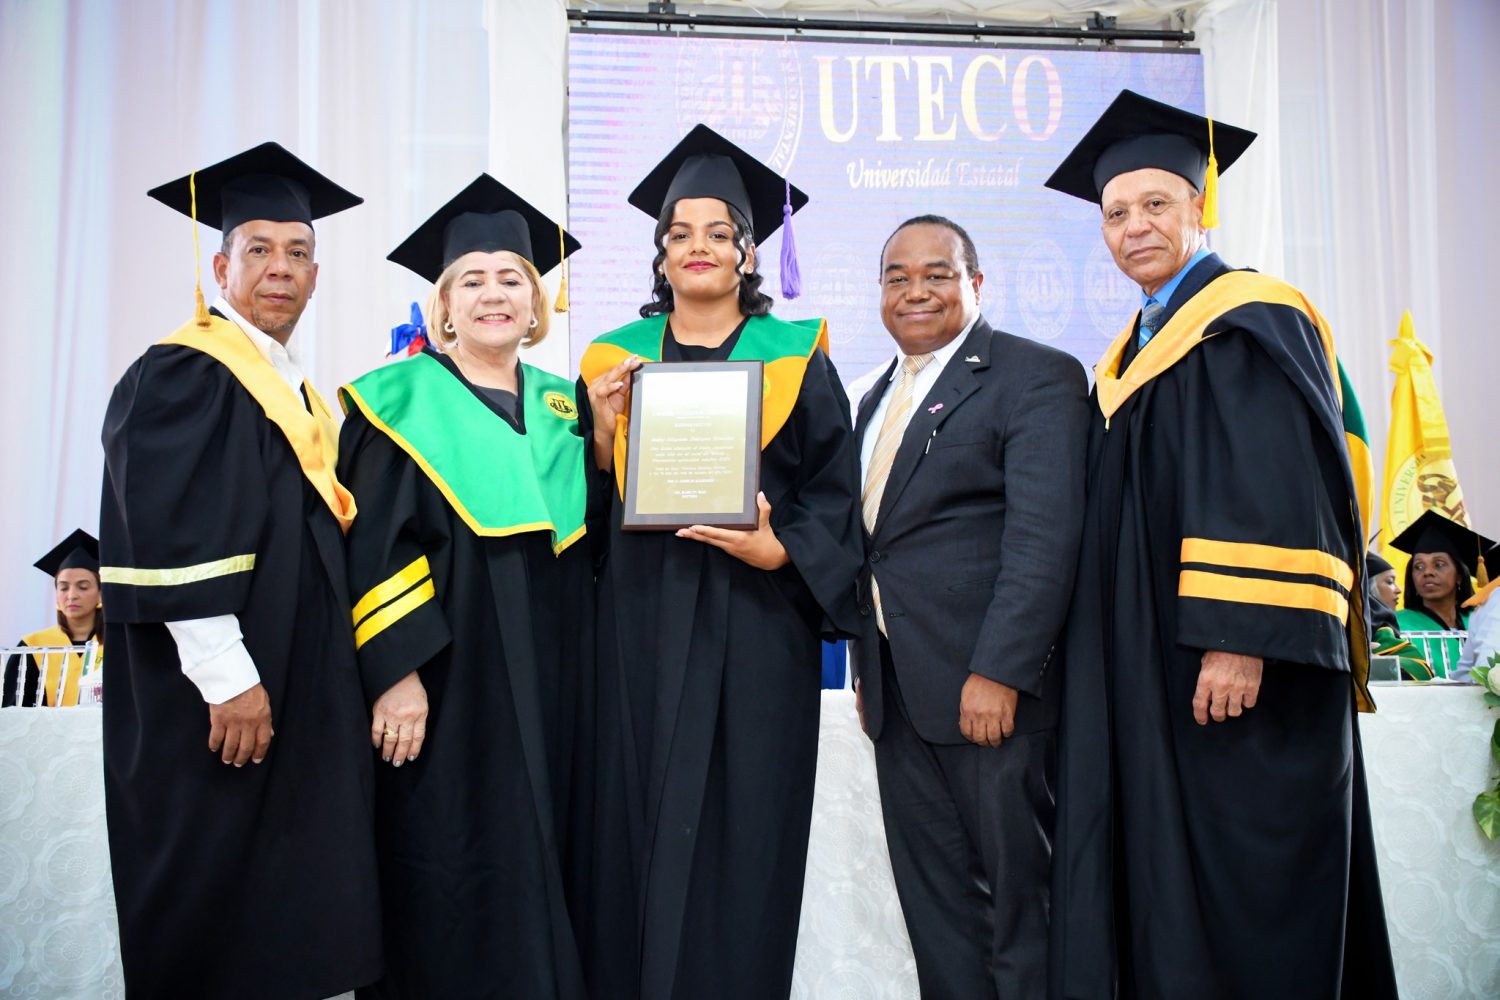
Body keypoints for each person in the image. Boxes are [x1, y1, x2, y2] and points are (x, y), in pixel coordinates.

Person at [1042, 91, 1397, 999]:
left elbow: (1276, 486)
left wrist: (1240, 637)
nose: (1134, 227)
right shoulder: (1134, 346)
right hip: (1158, 666)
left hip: (1234, 668)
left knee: (1247, 880)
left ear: (1200, 208)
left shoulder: (1250, 319)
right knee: (1172, 875)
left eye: (1156, 204)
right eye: (1116, 214)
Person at [578, 124, 863, 1000]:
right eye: (679, 233)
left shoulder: (798, 358)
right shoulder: (609, 362)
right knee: (631, 827)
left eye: (718, 232)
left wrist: (784, 549)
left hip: (757, 628)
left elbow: (835, 495)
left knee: (748, 836)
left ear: (748, 252)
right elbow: (579, 515)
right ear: (660, 255)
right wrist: (600, 435)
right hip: (640, 625)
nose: (697, 247)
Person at [98, 143, 380, 999]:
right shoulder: (186, 372)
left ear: (316, 277)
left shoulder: (297, 390)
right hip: (222, 700)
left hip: (289, 681)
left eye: (298, 252)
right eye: (259, 249)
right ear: (221, 268)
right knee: (216, 902)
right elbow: (169, 534)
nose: (280, 268)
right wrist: (228, 681)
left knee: (280, 911)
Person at [337, 175, 591, 999]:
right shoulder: (396, 404)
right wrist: (397, 674)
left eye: (512, 278)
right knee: (453, 852)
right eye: (472, 281)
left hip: (557, 680)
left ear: (535, 301)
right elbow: (376, 548)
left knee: (553, 843)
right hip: (451, 684)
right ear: (444, 305)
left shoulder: (566, 407)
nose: (494, 295)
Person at [845, 215, 1087, 998]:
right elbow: (878, 544)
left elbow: (1044, 539)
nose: (915, 291)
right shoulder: (874, 395)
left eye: (938, 274)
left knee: (1020, 910)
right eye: (897, 277)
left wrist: (1001, 672)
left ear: (976, 284)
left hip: (990, 694)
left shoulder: (1035, 376)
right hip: (898, 697)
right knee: (941, 914)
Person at [1389, 509, 1496, 677]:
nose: (1427, 572)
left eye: (1439, 564)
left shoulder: (1480, 618)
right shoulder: (1396, 625)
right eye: (1419, 566)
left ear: (1459, 575)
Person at [4, 529, 104, 707]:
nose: (71, 595)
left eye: (83, 587)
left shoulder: (118, 645)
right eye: (63, 588)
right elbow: (15, 713)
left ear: (100, 595)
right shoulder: (32, 647)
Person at [1366, 550, 1431, 681]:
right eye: (1390, 582)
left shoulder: (1384, 628)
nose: (1398, 589)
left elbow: (1420, 670)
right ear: (1366, 588)